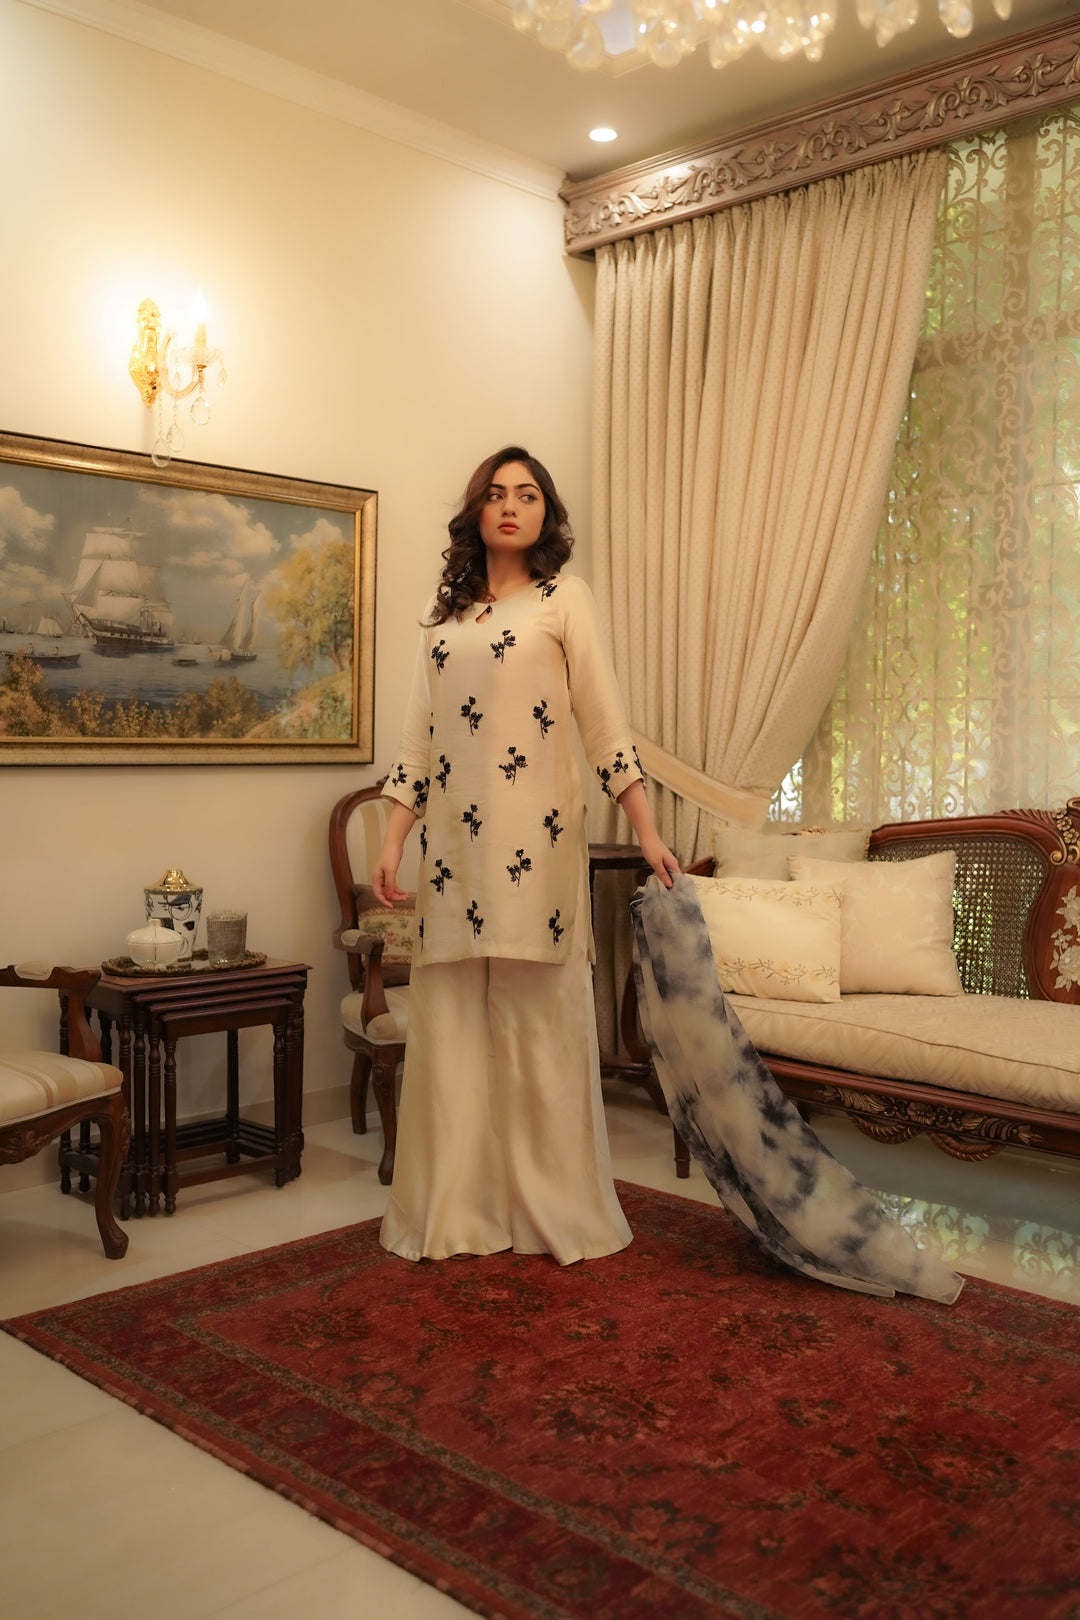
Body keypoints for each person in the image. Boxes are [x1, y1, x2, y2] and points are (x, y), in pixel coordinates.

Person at [373, 445, 679, 1264]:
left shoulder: (564, 599)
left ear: (546, 515)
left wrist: (647, 830)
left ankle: (548, 1206)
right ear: (477, 509)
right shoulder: (442, 619)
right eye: (498, 494)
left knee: (538, 1025)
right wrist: (394, 839)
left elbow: (603, 724)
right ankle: (457, 1207)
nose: (512, 506)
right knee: (452, 1027)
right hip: (453, 857)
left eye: (529, 495)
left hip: (536, 849)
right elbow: (416, 740)